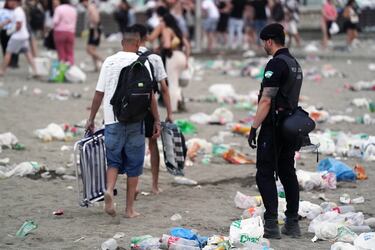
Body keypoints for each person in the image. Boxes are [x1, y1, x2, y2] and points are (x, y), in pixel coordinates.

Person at [85, 27, 161, 218]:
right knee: (134, 165)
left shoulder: (109, 62)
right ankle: (129, 210)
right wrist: (157, 120)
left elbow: (98, 94)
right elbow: (150, 96)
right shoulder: (142, 62)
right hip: (137, 119)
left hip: (112, 119)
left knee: (113, 160)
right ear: (138, 44)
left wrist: (91, 118)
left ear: (121, 43)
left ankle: (109, 190)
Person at [247, 23, 303, 239]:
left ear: (269, 41)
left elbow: (266, 100)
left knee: (265, 173)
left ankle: (271, 224)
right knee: (288, 173)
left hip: (274, 128)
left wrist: (254, 127)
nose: (264, 46)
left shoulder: (276, 64)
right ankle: (292, 222)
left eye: (264, 42)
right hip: (292, 127)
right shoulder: (295, 63)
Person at [133, 23, 173, 194]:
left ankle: (134, 184)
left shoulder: (125, 56)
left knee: (133, 145)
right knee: (152, 143)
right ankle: (154, 185)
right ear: (147, 37)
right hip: (150, 106)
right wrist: (170, 113)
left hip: (131, 106)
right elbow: (164, 87)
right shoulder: (154, 58)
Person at [148, 12, 191, 113]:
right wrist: (187, 60)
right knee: (177, 83)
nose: (160, 22)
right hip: (182, 56)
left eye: (162, 20)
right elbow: (187, 46)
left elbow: (167, 45)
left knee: (172, 83)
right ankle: (180, 103)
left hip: (172, 57)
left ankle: (174, 107)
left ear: (166, 22)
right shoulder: (177, 30)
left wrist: (161, 47)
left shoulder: (167, 30)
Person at [0, 0, 38, 77]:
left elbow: (18, 26)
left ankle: (1, 71)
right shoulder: (17, 10)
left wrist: (10, 31)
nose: (8, 3)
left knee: (8, 52)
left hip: (17, 36)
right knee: (27, 53)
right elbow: (10, 19)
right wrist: (2, 24)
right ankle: (35, 71)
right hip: (24, 35)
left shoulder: (18, 11)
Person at [81, 0, 103, 72]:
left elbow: (96, 19)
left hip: (94, 29)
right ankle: (96, 67)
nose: (82, 5)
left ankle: (103, 60)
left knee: (89, 49)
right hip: (94, 29)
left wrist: (95, 31)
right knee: (92, 49)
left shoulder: (90, 7)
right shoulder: (91, 7)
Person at [53, 0, 77, 65]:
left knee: (61, 51)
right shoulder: (73, 9)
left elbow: (55, 21)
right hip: (71, 32)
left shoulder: (59, 8)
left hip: (60, 32)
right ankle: (70, 69)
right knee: (70, 52)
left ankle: (62, 70)